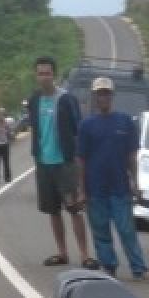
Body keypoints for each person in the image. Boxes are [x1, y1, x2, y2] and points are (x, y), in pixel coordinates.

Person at [78, 77, 149, 283]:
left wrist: (136, 183)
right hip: (95, 188)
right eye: (99, 94)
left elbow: (131, 156)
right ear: (95, 97)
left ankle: (139, 269)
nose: (103, 97)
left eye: (106, 93)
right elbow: (82, 160)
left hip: (120, 186)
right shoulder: (87, 125)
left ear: (112, 96)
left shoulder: (125, 122)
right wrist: (82, 189)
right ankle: (109, 268)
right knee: (101, 231)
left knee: (127, 230)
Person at [25, 56, 96, 268]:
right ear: (36, 76)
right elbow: (35, 129)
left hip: (65, 163)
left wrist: (79, 161)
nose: (44, 77)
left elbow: (79, 130)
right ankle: (62, 252)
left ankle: (85, 255)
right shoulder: (35, 100)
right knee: (52, 210)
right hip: (43, 163)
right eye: (40, 73)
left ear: (54, 75)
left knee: (74, 208)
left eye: (47, 73)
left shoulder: (66, 99)